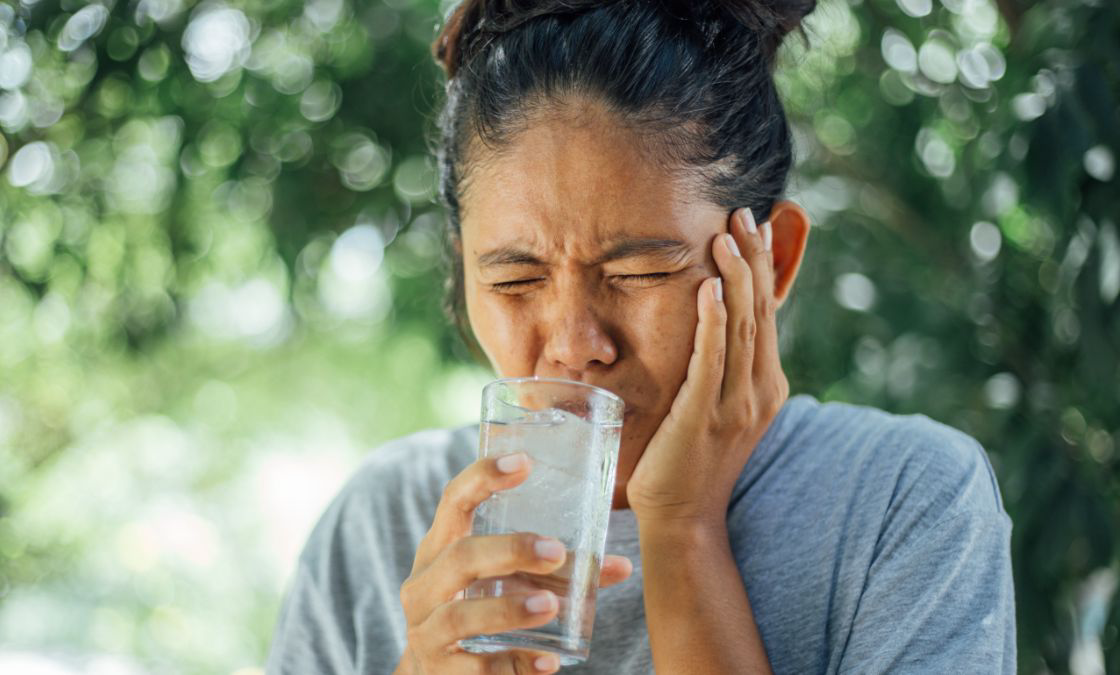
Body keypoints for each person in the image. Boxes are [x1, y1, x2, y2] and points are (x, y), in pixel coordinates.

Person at [266, 0, 1017, 672]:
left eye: (638, 272)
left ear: (773, 262)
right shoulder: (381, 525)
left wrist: (685, 531)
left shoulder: (901, 501)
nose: (575, 343)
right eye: (516, 280)